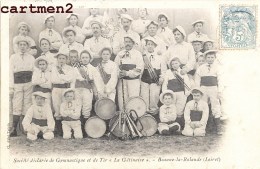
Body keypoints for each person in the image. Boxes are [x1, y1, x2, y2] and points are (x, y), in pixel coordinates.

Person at [9, 36, 35, 137]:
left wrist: (33, 83)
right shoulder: (13, 57)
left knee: (27, 104)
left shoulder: (31, 57)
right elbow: (10, 72)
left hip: (28, 83)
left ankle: (25, 127)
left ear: (28, 47)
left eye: (25, 45)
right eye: (21, 45)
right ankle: (14, 128)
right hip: (17, 83)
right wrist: (11, 86)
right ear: (18, 46)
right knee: (17, 104)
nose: (23, 47)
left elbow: (34, 71)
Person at [195, 50, 224, 135]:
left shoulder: (217, 67)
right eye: (208, 57)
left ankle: (218, 126)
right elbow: (197, 80)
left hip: (213, 88)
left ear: (215, 58)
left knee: (215, 106)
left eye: (212, 57)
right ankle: (204, 126)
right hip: (203, 88)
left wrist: (219, 91)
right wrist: (198, 90)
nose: (210, 59)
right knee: (203, 104)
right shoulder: (201, 68)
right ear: (205, 58)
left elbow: (220, 80)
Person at [74, 50, 104, 124]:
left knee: (87, 107)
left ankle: (85, 126)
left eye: (86, 57)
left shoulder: (93, 69)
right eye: (83, 57)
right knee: (77, 107)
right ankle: (78, 127)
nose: (84, 59)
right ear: (80, 58)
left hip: (87, 90)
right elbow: (73, 78)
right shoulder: (76, 68)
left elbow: (98, 80)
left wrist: (99, 92)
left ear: (90, 59)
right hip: (77, 89)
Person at [114, 36, 144, 110]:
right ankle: (123, 118)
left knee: (133, 99)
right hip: (122, 81)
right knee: (122, 100)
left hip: (133, 81)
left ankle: (133, 117)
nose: (127, 44)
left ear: (133, 43)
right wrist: (119, 73)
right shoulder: (120, 54)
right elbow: (115, 67)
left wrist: (127, 73)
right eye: (126, 42)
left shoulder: (137, 54)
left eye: (129, 42)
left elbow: (139, 69)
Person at [162, 57, 191, 129]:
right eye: (172, 64)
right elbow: (165, 83)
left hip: (181, 93)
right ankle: (171, 125)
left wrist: (186, 93)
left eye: (176, 63)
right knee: (172, 108)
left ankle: (178, 126)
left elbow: (187, 82)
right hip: (172, 93)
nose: (174, 65)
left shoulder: (182, 71)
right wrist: (165, 92)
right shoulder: (168, 72)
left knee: (180, 109)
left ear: (179, 64)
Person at [140, 37, 167, 115]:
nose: (150, 46)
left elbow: (163, 69)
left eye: (152, 44)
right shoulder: (143, 57)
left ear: (155, 46)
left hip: (155, 79)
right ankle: (144, 113)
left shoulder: (160, 57)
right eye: (148, 44)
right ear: (146, 46)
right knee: (144, 96)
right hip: (144, 79)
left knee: (154, 96)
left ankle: (153, 113)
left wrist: (162, 78)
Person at [51, 53, 75, 136]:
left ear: (66, 59)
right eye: (60, 58)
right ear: (57, 59)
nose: (61, 60)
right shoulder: (54, 68)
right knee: (57, 107)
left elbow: (70, 78)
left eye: (63, 58)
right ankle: (59, 129)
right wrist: (64, 77)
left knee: (65, 106)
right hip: (56, 89)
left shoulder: (70, 68)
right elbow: (53, 79)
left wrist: (61, 76)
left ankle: (67, 129)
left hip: (65, 89)